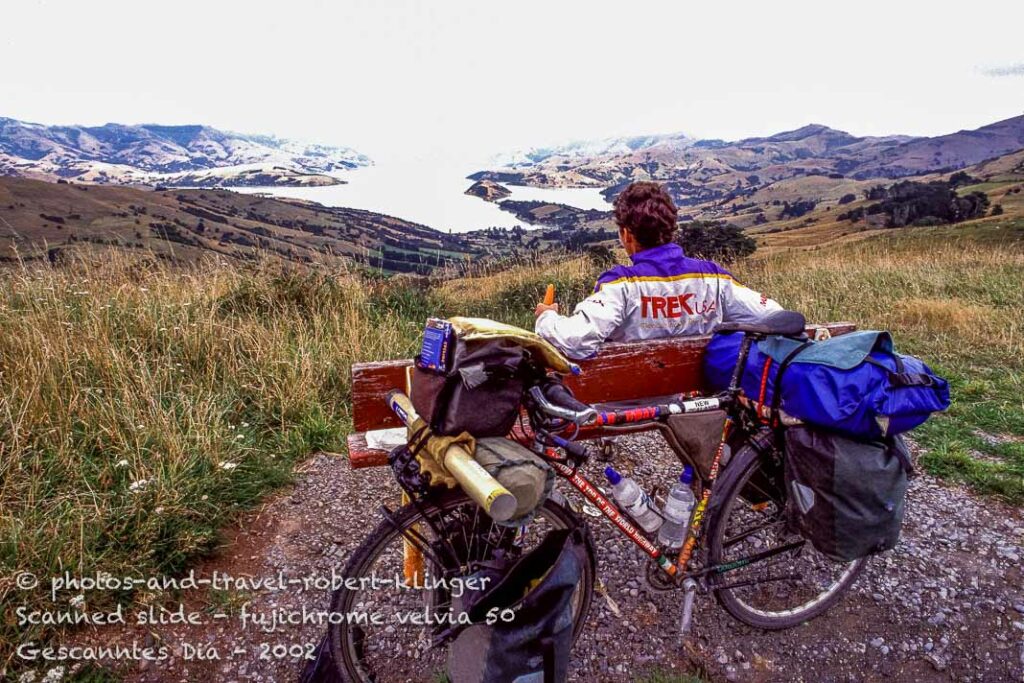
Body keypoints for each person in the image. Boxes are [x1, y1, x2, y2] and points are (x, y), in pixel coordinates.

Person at [534, 181, 782, 360]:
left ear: (626, 234)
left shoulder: (619, 286)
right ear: (671, 227)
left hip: (621, 406)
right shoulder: (714, 279)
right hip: (689, 398)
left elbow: (575, 340)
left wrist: (546, 317)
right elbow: (773, 316)